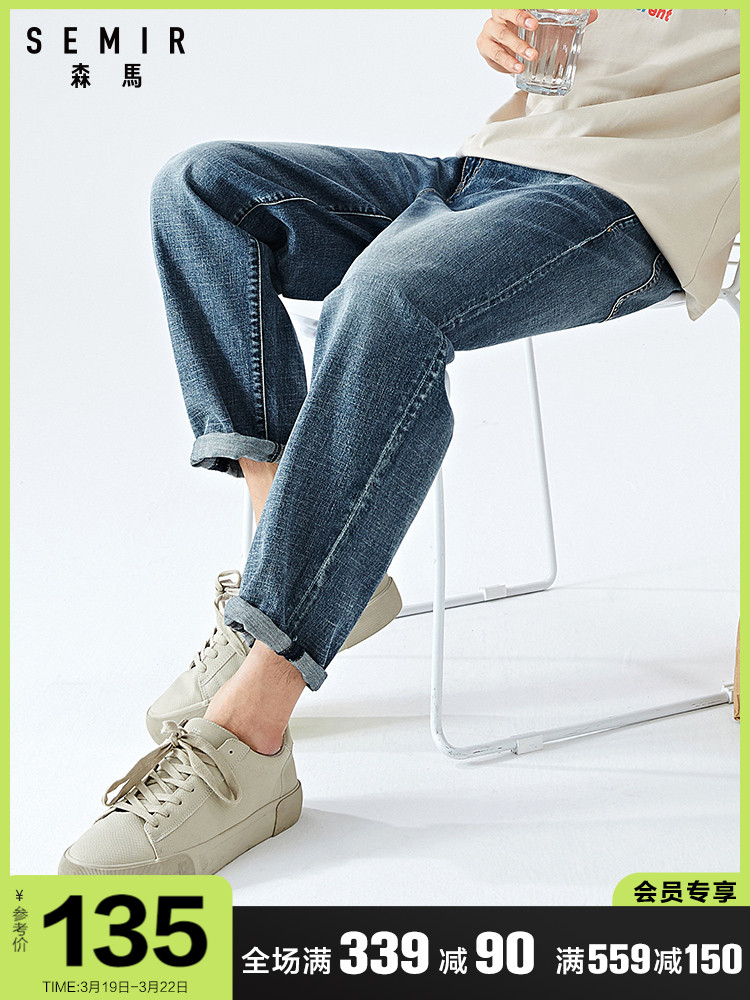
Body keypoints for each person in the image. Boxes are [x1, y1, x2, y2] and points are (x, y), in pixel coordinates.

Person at [59, 8, 739, 875]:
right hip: (494, 165)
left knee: (386, 301)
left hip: (632, 204)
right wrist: (505, 32)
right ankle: (288, 568)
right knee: (202, 188)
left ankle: (250, 736)